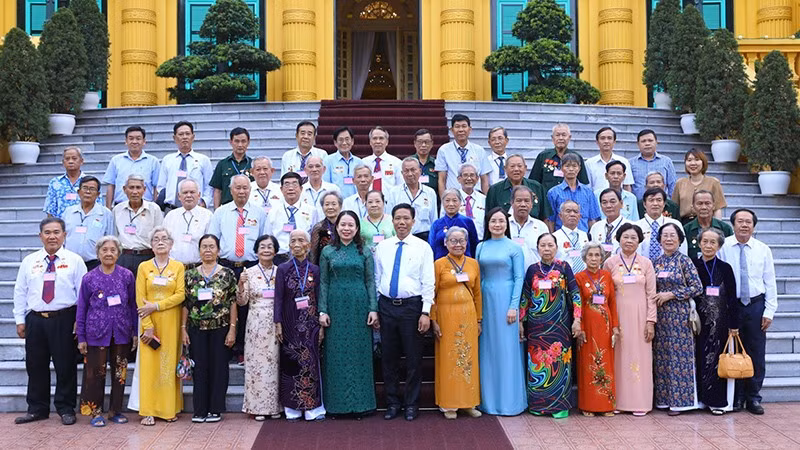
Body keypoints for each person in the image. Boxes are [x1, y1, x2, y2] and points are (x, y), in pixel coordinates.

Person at [13, 218, 87, 425]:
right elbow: (20, 291)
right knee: (35, 365)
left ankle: (65, 408)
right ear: (40, 236)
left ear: (64, 235)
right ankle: (37, 408)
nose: (52, 236)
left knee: (65, 365)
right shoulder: (30, 261)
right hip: (36, 319)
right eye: (47, 232)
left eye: (56, 232)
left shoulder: (74, 260)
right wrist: (20, 320)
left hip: (64, 318)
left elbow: (83, 294)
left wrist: (79, 322)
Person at [374, 204, 435, 421]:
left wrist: (425, 312)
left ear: (413, 221)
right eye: (397, 218)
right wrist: (377, 308)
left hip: (412, 307)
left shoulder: (423, 247)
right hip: (387, 307)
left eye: (406, 218)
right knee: (389, 358)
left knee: (413, 358)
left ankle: (411, 404)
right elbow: (376, 277)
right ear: (392, 221)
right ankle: (392, 402)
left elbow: (429, 281)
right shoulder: (383, 247)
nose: (401, 222)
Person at [318, 211, 378, 416]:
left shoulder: (365, 252)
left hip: (359, 305)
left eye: (351, 225)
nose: (346, 229)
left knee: (360, 353)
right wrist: (322, 310)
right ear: (336, 227)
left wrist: (373, 308)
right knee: (336, 353)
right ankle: (337, 405)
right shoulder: (327, 251)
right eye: (343, 225)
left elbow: (370, 281)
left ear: (357, 228)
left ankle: (362, 404)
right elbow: (323, 282)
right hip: (335, 305)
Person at [718, 208, 777, 415]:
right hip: (730, 305)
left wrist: (769, 311)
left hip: (755, 304)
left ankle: (753, 397)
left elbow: (770, 281)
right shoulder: (723, 246)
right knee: (732, 351)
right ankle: (736, 397)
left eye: (748, 222)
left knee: (755, 352)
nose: (744, 225)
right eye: (740, 221)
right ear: (733, 224)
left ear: (753, 226)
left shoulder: (763, 249)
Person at [76, 236, 137, 426]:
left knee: (120, 374)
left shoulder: (127, 276)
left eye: (113, 250)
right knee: (95, 375)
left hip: (121, 332)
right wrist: (81, 336)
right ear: (98, 253)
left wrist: (135, 331)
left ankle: (115, 411)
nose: (109, 253)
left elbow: (133, 305)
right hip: (96, 333)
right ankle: (96, 412)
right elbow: (82, 308)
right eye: (105, 250)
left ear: (118, 253)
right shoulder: (89, 278)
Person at [519, 233, 582, 418]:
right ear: (537, 248)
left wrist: (577, 319)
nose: (546, 249)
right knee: (538, 364)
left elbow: (575, 294)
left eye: (550, 245)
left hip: (560, 326)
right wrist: (521, 322)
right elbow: (525, 297)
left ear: (556, 247)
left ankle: (559, 406)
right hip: (537, 327)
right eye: (543, 245)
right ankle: (538, 405)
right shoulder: (532, 270)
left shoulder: (564, 267)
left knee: (560, 364)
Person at [475, 207, 526, 415]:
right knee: (488, 350)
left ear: (507, 224)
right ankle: (488, 401)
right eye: (493, 221)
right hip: (486, 299)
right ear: (487, 225)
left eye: (501, 221)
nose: (497, 224)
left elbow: (519, 278)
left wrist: (514, 306)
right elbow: (478, 277)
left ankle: (510, 402)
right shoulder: (480, 246)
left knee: (507, 350)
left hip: (506, 300)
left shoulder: (514, 247)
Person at [132, 227, 185, 425]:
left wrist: (157, 305)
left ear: (171, 244)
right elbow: (140, 297)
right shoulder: (144, 267)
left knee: (168, 364)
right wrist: (147, 325)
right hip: (148, 321)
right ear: (151, 245)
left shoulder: (178, 266)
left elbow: (180, 294)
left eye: (164, 239)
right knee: (149, 366)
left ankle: (168, 409)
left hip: (171, 319)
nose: (160, 242)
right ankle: (148, 410)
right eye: (156, 239)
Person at [182, 234, 237, 423]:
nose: (207, 250)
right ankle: (200, 409)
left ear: (218, 251)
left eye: (211, 246)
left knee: (219, 368)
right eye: (204, 246)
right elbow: (186, 304)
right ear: (199, 251)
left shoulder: (227, 274)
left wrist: (232, 329)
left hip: (220, 328)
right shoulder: (190, 274)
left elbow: (232, 302)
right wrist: (183, 328)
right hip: (197, 329)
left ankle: (215, 408)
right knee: (200, 368)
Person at [603, 223, 657, 415]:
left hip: (640, 316)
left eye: (633, 237)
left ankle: (640, 403)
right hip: (617, 316)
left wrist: (651, 321)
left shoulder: (646, 263)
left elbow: (652, 294)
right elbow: (605, 292)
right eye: (625, 237)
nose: (629, 241)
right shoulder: (610, 263)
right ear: (618, 239)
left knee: (640, 357)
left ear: (639, 240)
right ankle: (617, 402)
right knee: (618, 357)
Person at [652, 222, 703, 415]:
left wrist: (671, 294)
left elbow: (697, 287)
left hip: (680, 316)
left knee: (680, 358)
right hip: (661, 316)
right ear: (659, 240)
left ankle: (681, 402)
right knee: (662, 358)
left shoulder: (685, 261)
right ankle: (664, 400)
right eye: (665, 235)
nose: (668, 239)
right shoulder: (656, 262)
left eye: (672, 235)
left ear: (680, 239)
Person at [274, 229, 326, 421]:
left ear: (308, 245)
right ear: (288, 245)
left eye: (301, 240)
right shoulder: (283, 269)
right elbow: (278, 298)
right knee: (291, 363)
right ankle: (292, 407)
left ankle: (312, 407)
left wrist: (321, 324)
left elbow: (320, 297)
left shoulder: (315, 270)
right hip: (289, 323)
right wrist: (278, 323)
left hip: (311, 324)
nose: (297, 243)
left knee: (310, 363)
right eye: (293, 240)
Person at [431, 227, 482, 419]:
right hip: (446, 317)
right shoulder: (439, 264)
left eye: (461, 240)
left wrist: (479, 319)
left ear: (467, 243)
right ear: (445, 243)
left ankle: (468, 403)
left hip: (468, 317)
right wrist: (433, 319)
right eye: (453, 240)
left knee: (468, 359)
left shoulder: (473, 264)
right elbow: (432, 293)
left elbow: (477, 293)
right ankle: (449, 404)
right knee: (449, 358)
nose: (458, 244)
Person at [694, 227, 740, 414]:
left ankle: (716, 401)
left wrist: (733, 325)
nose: (708, 245)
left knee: (715, 360)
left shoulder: (725, 268)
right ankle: (700, 399)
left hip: (720, 323)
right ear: (699, 243)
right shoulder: (692, 265)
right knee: (699, 358)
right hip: (697, 321)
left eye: (713, 242)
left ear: (719, 246)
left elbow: (732, 298)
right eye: (705, 241)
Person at [237, 235, 282, 420]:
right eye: (262, 246)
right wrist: (240, 283)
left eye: (270, 247)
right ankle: (257, 408)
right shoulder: (249, 272)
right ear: (256, 251)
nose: (266, 250)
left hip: (276, 322)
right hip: (255, 321)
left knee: (275, 365)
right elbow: (242, 301)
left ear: (276, 251)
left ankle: (275, 407)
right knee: (257, 366)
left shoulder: (281, 271)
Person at [575, 242, 619, 416]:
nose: (594, 259)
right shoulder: (579, 277)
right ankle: (588, 405)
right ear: (584, 258)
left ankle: (606, 405)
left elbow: (613, 303)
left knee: (606, 363)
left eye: (597, 255)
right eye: (590, 255)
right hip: (588, 327)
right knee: (588, 364)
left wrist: (615, 327)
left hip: (606, 327)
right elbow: (577, 305)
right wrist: (580, 328)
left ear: (602, 257)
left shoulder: (607, 276)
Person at [210, 174, 267, 276]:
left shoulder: (259, 212)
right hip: (225, 266)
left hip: (252, 266)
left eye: (245, 188)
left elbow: (264, 239)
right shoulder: (220, 212)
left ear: (250, 190)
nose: (241, 191)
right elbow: (213, 239)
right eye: (238, 188)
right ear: (231, 190)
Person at [113, 174, 164, 275]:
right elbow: (114, 236)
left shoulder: (154, 209)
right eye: (131, 187)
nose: (135, 192)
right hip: (124, 257)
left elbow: (159, 236)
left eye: (138, 188)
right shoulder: (117, 209)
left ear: (144, 190)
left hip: (147, 256)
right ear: (124, 189)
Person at [157, 121, 214, 210]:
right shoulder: (167, 160)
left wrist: (204, 202)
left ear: (193, 137)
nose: (184, 137)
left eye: (187, 134)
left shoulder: (203, 160)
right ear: (174, 138)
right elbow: (161, 186)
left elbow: (209, 185)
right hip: (171, 209)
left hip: (196, 208)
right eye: (181, 134)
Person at [63, 176, 113, 271]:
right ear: (79, 192)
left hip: (95, 264)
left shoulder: (105, 214)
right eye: (85, 188)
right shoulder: (68, 212)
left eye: (92, 189)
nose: (88, 192)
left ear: (98, 194)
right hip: (70, 263)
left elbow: (110, 239)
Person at [103, 126, 160, 208]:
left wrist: (155, 208)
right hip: (120, 207)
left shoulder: (153, 161)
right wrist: (108, 208)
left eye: (138, 138)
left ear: (144, 141)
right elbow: (111, 185)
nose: (134, 141)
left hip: (145, 207)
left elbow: (156, 187)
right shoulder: (116, 160)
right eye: (131, 138)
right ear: (126, 141)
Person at [266, 172, 315, 265]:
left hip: (304, 257)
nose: (291, 188)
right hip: (280, 258)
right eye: (287, 184)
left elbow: (314, 237)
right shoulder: (274, 212)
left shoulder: (311, 211)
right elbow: (268, 237)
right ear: (281, 189)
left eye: (295, 184)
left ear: (301, 189)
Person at [435, 114, 490, 195]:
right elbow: (441, 179)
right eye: (457, 126)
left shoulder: (479, 150)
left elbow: (484, 179)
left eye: (464, 126)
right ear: (451, 130)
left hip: (475, 196)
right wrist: (444, 201)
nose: (461, 130)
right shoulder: (444, 150)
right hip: (453, 197)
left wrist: (486, 200)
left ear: (470, 129)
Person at [163, 179, 212, 268]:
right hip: (174, 268)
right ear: (179, 196)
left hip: (198, 268)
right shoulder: (171, 216)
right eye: (185, 192)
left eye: (192, 192)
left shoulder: (207, 216)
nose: (189, 195)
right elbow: (164, 242)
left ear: (199, 195)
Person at [386, 157, 438, 242]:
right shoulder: (394, 192)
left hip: (424, 238)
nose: (410, 174)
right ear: (402, 173)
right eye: (406, 171)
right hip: (401, 237)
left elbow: (434, 219)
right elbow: (389, 219)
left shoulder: (430, 192)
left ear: (420, 171)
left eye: (413, 170)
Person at [546, 153, 600, 232]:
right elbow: (551, 220)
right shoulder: (553, 192)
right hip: (561, 237)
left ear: (579, 168)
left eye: (574, 166)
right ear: (561, 168)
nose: (571, 169)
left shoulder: (588, 192)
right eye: (567, 166)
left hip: (583, 237)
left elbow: (592, 219)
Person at [528, 123, 589, 194]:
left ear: (569, 137)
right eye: (557, 135)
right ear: (552, 138)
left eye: (564, 135)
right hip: (547, 201)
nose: (561, 138)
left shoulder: (577, 157)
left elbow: (583, 182)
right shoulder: (543, 156)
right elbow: (534, 182)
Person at [484, 154, 549, 221]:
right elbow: (489, 217)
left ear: (525, 168)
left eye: (519, 166)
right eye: (512, 166)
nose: (516, 169)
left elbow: (545, 216)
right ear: (505, 169)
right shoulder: (495, 190)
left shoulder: (537, 187)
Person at [673, 149, 727, 223]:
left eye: (697, 160)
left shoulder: (713, 182)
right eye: (689, 160)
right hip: (685, 224)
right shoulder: (680, 183)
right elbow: (675, 208)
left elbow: (717, 208)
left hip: (707, 222)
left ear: (703, 162)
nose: (693, 163)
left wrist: (717, 227)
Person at [635, 187, 687, 258]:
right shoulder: (636, 226)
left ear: (664, 203)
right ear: (644, 204)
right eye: (651, 200)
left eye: (659, 200)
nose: (655, 203)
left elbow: (683, 250)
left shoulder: (675, 224)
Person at [683, 190, 734, 260]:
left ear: (713, 205)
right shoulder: (686, 229)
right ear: (693, 206)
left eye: (707, 203)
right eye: (699, 203)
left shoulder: (725, 229)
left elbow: (730, 253)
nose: (704, 207)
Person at [429, 189, 478, 260]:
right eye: (447, 200)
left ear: (460, 202)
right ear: (442, 202)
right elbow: (432, 246)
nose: (451, 204)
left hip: (464, 264)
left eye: (454, 200)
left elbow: (474, 245)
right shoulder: (436, 224)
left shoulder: (468, 222)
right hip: (441, 265)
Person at [210, 127, 253, 209]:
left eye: (243, 141)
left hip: (248, 208)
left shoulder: (252, 164)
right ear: (231, 142)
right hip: (227, 208)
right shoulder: (222, 164)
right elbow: (217, 190)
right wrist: (216, 210)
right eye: (237, 141)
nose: (240, 145)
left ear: (248, 142)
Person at [508, 185, 549, 268]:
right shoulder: (504, 225)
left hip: (535, 277)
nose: (523, 204)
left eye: (527, 201)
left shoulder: (541, 226)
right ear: (512, 203)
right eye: (519, 201)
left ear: (532, 204)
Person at [44, 146, 90, 218]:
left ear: (81, 161)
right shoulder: (55, 182)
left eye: (74, 158)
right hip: (61, 226)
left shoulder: (89, 182)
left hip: (83, 225)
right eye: (67, 159)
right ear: (63, 162)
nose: (71, 161)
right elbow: (50, 211)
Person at [630, 129, 676, 198]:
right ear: (638, 144)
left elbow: (672, 185)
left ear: (656, 142)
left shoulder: (666, 161)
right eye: (643, 141)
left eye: (650, 140)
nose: (647, 143)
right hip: (639, 205)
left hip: (662, 205)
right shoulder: (631, 163)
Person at [585, 127, 634, 192]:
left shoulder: (624, 162)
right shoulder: (589, 163)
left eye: (609, 138)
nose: (606, 141)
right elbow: (588, 187)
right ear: (597, 142)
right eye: (602, 138)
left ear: (614, 142)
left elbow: (627, 186)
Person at [589, 189, 633, 255]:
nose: (608, 206)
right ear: (600, 206)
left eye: (612, 202)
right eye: (604, 202)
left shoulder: (631, 227)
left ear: (621, 204)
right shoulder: (595, 227)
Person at [324, 126, 363, 198]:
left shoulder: (359, 162)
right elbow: (325, 185)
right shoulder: (328, 161)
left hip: (355, 203)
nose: (344, 143)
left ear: (352, 141)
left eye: (347, 139)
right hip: (336, 203)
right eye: (341, 140)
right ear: (335, 142)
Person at [362, 126, 403, 193]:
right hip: (368, 201)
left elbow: (400, 186)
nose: (378, 141)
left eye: (381, 138)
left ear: (387, 142)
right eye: (374, 138)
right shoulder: (363, 163)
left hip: (390, 202)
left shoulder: (396, 163)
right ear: (370, 142)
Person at [299, 155, 339, 223]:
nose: (314, 169)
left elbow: (340, 211)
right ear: (305, 170)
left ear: (324, 169)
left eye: (317, 166)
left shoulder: (333, 189)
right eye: (311, 167)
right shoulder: (300, 190)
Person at [554, 201, 589, 273]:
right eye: (568, 211)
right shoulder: (554, 237)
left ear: (580, 216)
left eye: (576, 212)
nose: (572, 214)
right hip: (563, 278)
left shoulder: (586, 236)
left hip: (585, 279)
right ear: (560, 216)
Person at [453, 163, 486, 239]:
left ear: (477, 179)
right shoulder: (452, 198)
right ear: (459, 179)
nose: (469, 178)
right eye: (465, 175)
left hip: (479, 241)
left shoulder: (483, 199)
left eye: (472, 175)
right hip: (458, 242)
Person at [310, 191, 343, 265]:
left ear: (340, 206)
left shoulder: (346, 226)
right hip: (324, 266)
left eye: (334, 204)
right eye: (327, 204)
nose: (330, 207)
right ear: (322, 207)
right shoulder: (318, 228)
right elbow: (313, 253)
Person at [409, 128, 439, 195]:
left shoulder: (436, 164)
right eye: (420, 142)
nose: (423, 145)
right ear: (415, 143)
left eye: (427, 142)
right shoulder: (408, 163)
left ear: (432, 144)